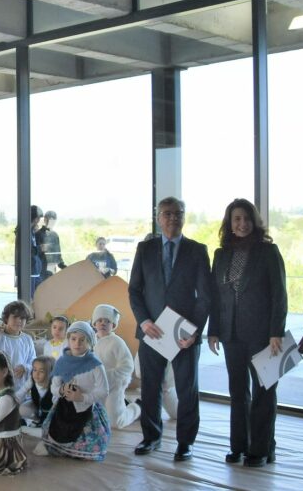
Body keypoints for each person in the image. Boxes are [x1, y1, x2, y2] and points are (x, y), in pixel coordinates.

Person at [128, 196, 211, 462]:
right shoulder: (145, 248)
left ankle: (185, 442)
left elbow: (205, 296)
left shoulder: (197, 250)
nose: (172, 218)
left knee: (188, 389)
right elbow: (134, 290)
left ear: (184, 217)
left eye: (178, 213)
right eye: (167, 214)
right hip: (152, 330)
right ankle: (151, 437)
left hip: (184, 334)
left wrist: (193, 330)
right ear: (158, 217)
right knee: (150, 387)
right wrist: (144, 321)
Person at [207, 199, 287, 468]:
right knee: (238, 392)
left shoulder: (268, 251)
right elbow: (215, 296)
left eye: (246, 219)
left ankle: (261, 449)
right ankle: (238, 446)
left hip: (264, 335)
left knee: (264, 391)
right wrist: (214, 330)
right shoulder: (221, 254)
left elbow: (279, 295)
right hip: (231, 335)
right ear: (229, 223)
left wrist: (276, 331)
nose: (241, 224)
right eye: (236, 219)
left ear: (254, 222)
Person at [34, 321, 110, 461]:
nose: (77, 343)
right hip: (64, 407)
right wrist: (62, 390)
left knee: (86, 437)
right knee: (55, 430)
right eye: (73, 339)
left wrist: (82, 397)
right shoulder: (62, 361)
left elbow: (103, 391)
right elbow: (54, 387)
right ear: (68, 340)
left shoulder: (95, 365)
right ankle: (57, 446)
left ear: (90, 342)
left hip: (86, 407)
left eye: (83, 340)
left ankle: (79, 450)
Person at [91, 304, 140, 430]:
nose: (103, 323)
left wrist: (111, 378)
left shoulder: (117, 342)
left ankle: (137, 408)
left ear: (113, 325)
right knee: (93, 418)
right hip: (96, 386)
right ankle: (123, 403)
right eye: (100, 320)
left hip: (114, 386)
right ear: (94, 323)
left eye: (107, 321)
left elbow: (128, 366)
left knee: (115, 422)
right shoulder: (91, 342)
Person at [0, 301, 36, 393]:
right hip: (0, 386)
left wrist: (25, 367)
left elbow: (33, 360)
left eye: (22, 318)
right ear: (6, 318)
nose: (19, 321)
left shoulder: (27, 339)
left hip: (21, 386)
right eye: (15, 317)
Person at [14, 206, 46, 298]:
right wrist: (40, 248)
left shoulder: (30, 231)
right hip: (30, 273)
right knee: (30, 300)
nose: (39, 220)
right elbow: (27, 251)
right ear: (36, 219)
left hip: (34, 272)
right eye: (39, 218)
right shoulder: (24, 232)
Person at [17, 356, 55, 427]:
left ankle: (44, 423)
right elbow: (20, 393)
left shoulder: (53, 385)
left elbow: (57, 405)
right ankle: (36, 420)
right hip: (37, 406)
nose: (37, 374)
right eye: (34, 370)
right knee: (22, 409)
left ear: (49, 373)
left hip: (50, 411)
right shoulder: (32, 380)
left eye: (41, 371)